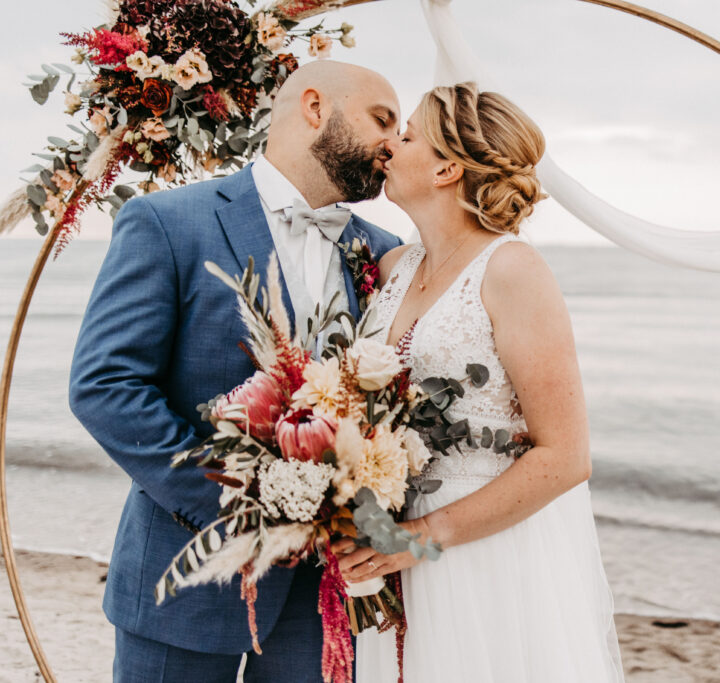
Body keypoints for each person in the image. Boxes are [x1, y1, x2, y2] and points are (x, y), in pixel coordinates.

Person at [68, 61, 402, 681]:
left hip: (324, 594)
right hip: (187, 571)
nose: (394, 143)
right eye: (382, 119)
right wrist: (238, 503)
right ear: (313, 105)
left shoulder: (384, 254)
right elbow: (106, 387)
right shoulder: (167, 223)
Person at [336, 82, 625, 682]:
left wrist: (419, 537)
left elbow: (567, 456)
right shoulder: (394, 266)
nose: (390, 145)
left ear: (446, 167)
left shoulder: (513, 269)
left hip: (481, 549)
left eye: (407, 134)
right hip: (388, 540)